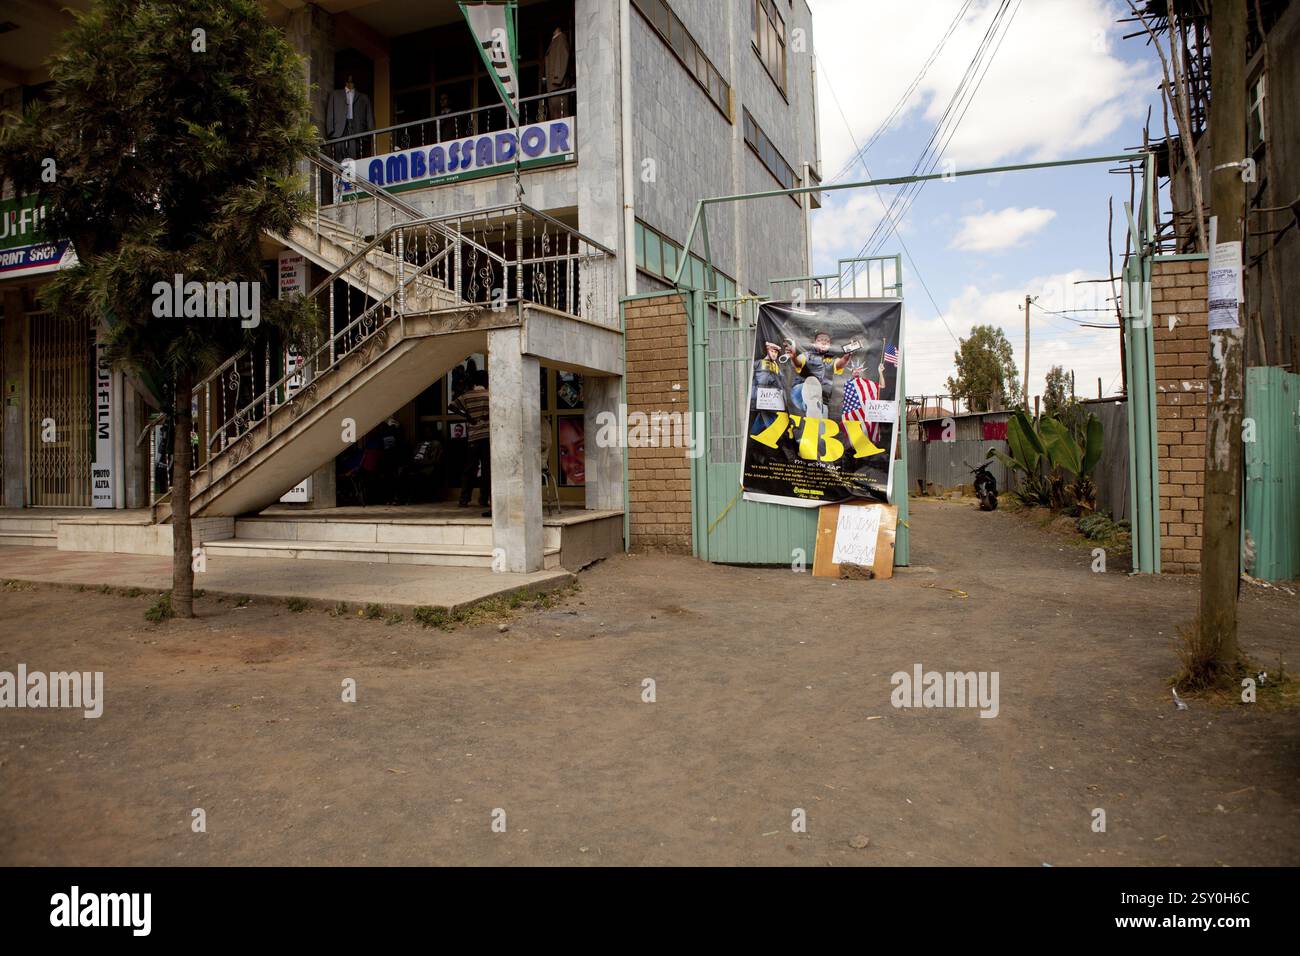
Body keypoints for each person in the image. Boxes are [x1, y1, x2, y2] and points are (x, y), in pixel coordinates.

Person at [451, 370, 491, 514]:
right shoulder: (489, 394)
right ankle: (483, 498)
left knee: (470, 468)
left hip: (473, 437)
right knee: (487, 469)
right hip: (487, 436)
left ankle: (464, 499)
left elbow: (452, 406)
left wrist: (467, 415)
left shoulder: (467, 396)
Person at [396, 425, 444, 504]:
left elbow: (434, 460)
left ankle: (408, 499)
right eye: (425, 432)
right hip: (415, 464)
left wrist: (421, 463)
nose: (427, 434)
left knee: (413, 476)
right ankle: (400, 498)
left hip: (426, 466)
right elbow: (413, 455)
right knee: (402, 471)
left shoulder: (436, 444)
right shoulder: (420, 443)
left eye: (429, 432)